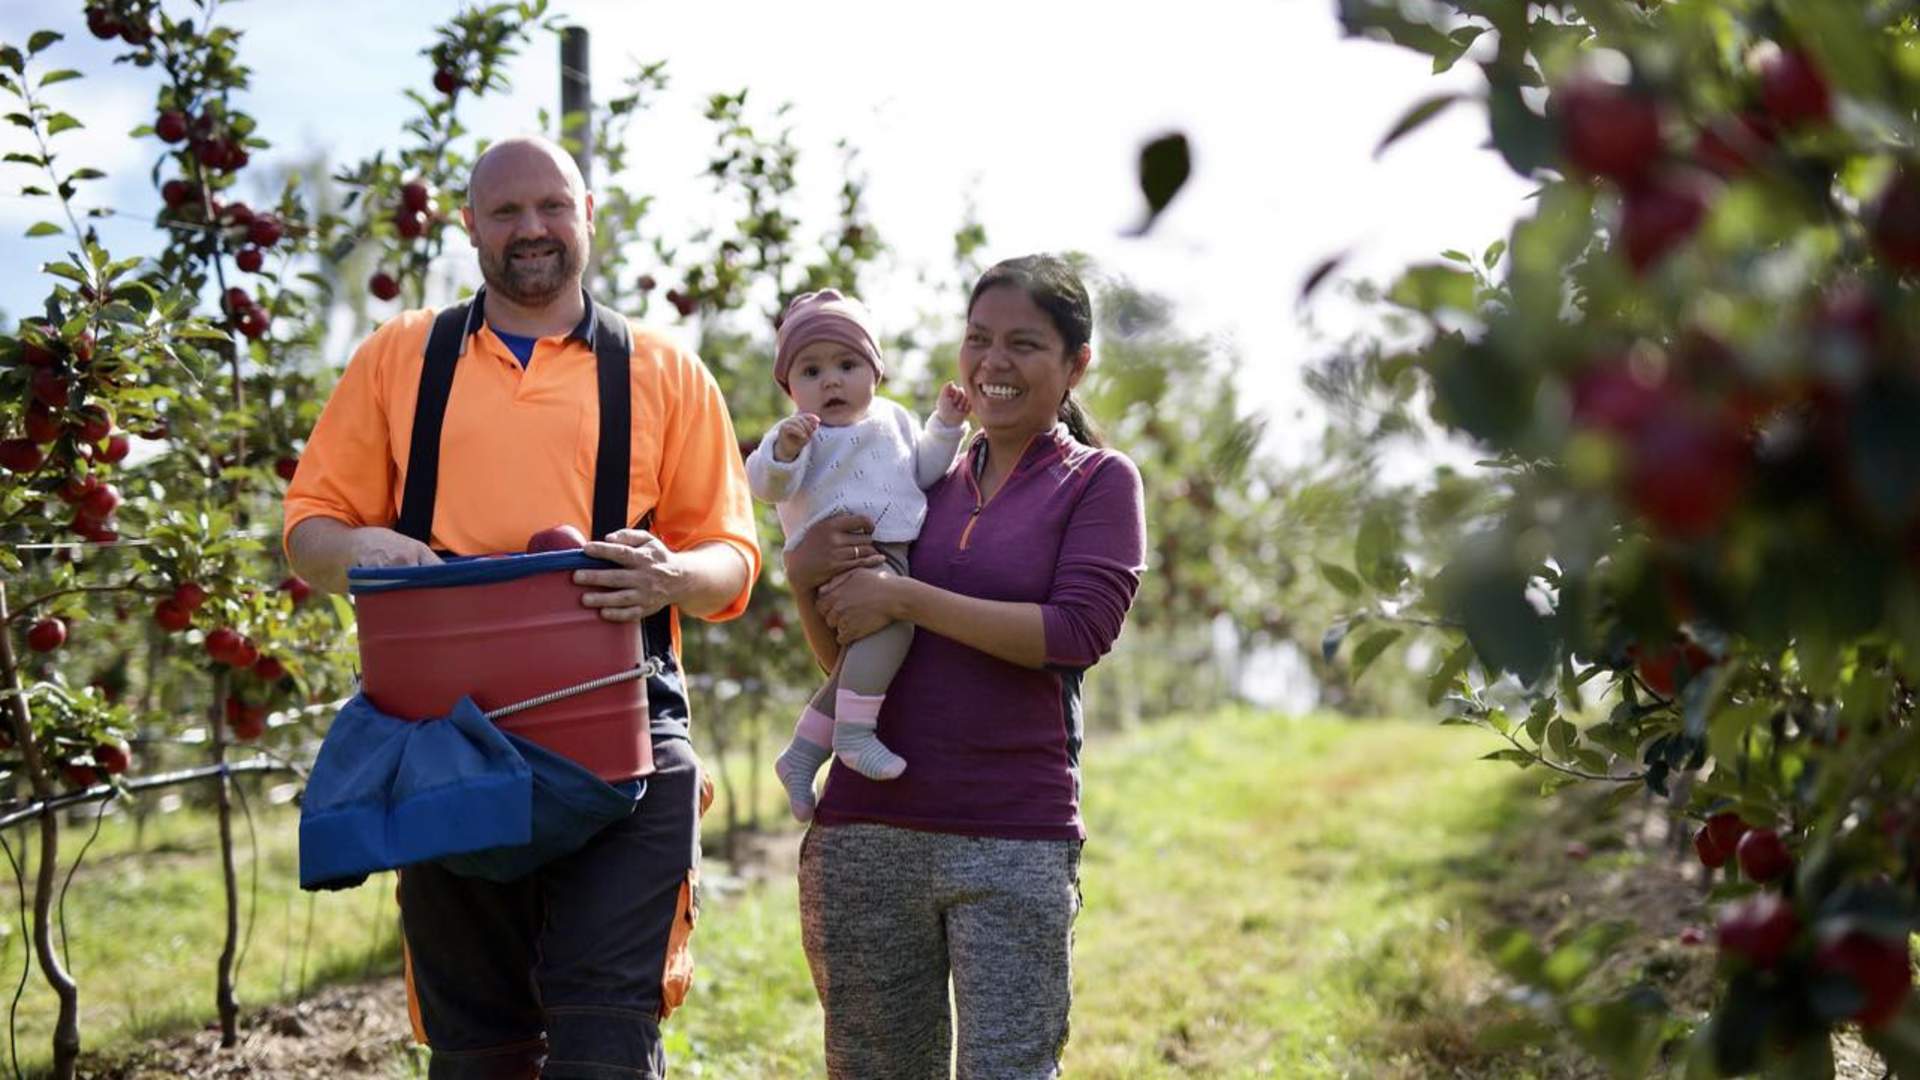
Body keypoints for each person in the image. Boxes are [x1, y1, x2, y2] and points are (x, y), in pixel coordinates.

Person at [283, 135, 759, 1079]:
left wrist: (670, 574)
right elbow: (308, 532)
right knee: (478, 1049)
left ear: (588, 215)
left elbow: (732, 562)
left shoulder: (665, 371)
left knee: (605, 1036)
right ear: (469, 227)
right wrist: (361, 548)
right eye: (504, 211)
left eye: (551, 206)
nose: (530, 228)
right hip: (444, 740)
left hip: (620, 731)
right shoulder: (398, 359)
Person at [782, 254, 1147, 1078]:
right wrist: (806, 577)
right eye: (978, 339)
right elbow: (847, 656)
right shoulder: (917, 476)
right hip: (868, 829)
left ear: (1075, 363)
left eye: (1023, 344)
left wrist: (909, 602)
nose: (993, 364)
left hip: (1011, 833)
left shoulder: (1098, 482)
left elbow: (1078, 630)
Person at [746, 288, 969, 820]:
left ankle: (802, 753)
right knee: (896, 628)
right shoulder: (801, 433)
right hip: (840, 559)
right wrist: (783, 452)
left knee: (858, 660)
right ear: (790, 387)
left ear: (876, 373)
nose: (831, 381)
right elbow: (766, 484)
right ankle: (854, 735)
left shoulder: (892, 421)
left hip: (887, 553)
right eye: (811, 371)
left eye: (847, 365)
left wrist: (946, 425)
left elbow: (923, 470)